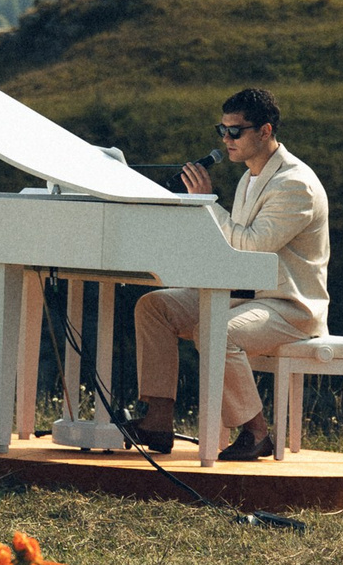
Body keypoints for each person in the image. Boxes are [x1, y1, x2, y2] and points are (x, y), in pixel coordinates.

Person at [130, 87, 329, 460]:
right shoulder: (249, 178)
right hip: (244, 294)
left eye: (235, 131)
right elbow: (230, 250)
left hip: (290, 307)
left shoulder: (295, 184)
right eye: (221, 130)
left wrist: (206, 204)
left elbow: (251, 247)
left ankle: (256, 432)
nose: (226, 139)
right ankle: (157, 420)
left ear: (266, 131)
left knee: (214, 330)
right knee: (153, 306)